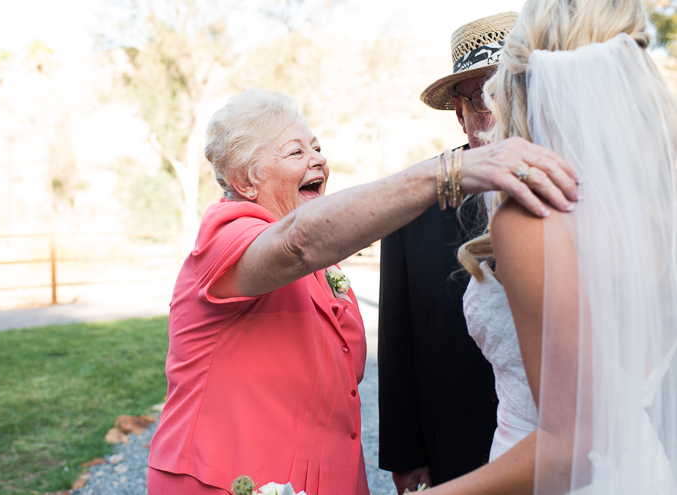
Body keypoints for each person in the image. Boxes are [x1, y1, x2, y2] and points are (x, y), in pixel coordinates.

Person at [145, 87, 578, 495]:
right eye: (296, 152)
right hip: (226, 480)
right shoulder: (226, 239)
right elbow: (298, 241)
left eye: (317, 147)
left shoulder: (322, 266)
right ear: (244, 181)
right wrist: (450, 172)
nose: (317, 161)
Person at [416, 0, 677, 493]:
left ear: (518, 82)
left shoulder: (534, 214)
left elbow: (568, 450)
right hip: (643, 470)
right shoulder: (659, 203)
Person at [378, 13, 516, 493]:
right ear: (459, 112)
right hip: (453, 451)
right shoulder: (412, 205)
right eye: (482, 96)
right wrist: (405, 452)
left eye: (512, 89)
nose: (498, 112)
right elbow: (398, 338)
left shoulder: (582, 189)